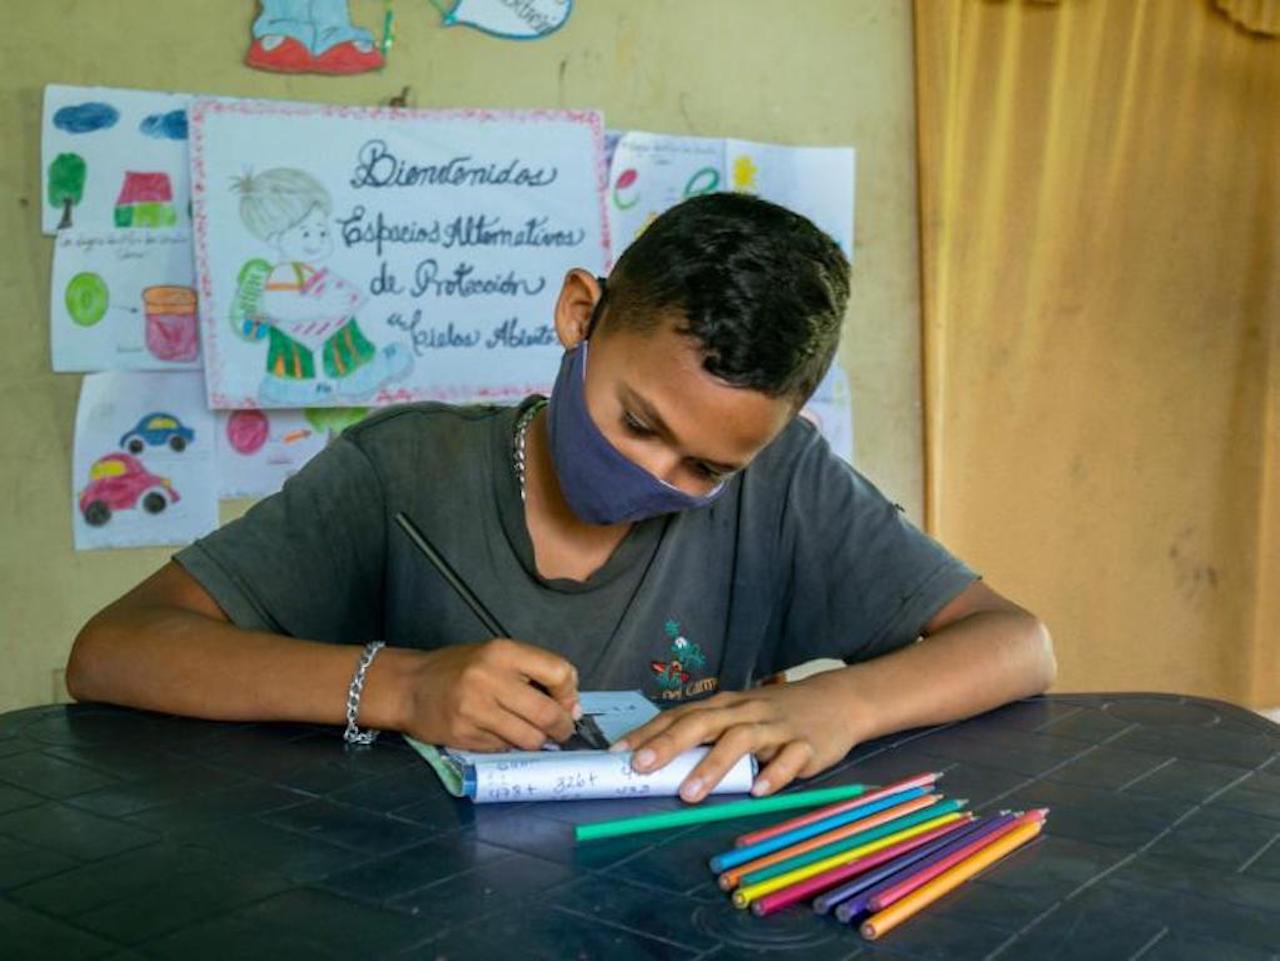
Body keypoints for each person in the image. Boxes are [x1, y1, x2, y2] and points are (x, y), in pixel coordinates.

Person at [67, 193, 1055, 803]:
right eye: (635, 422)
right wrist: (403, 687)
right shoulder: (402, 473)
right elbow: (112, 650)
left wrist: (842, 703)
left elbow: (1016, 641)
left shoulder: (784, 482)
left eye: (704, 470)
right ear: (579, 313)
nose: (657, 478)